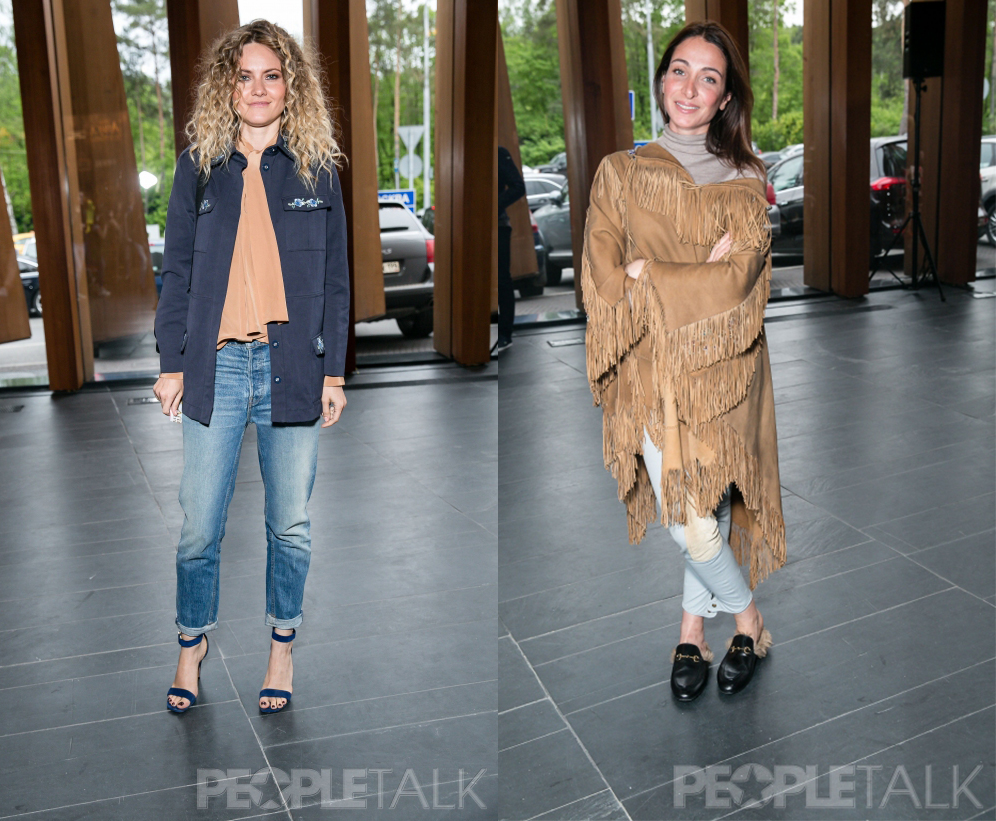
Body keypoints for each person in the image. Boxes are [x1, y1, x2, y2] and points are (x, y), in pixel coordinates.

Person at [580, 22, 785, 702]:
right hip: (649, 374)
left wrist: (650, 271)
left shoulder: (744, 179)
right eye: (679, 70)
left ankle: (691, 630)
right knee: (687, 517)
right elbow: (604, 281)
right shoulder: (620, 172)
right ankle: (750, 620)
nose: (690, 88)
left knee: (708, 502)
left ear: (725, 98)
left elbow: (738, 286)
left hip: (727, 373)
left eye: (709, 77)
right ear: (661, 79)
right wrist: (691, 274)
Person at [153, 19, 350, 715]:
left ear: (291, 86)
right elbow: (176, 271)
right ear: (226, 87)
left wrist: (334, 374)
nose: (259, 89)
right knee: (199, 526)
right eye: (245, 76)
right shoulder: (198, 167)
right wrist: (172, 362)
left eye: (272, 75)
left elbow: (335, 280)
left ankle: (281, 647)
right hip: (217, 366)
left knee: (289, 523)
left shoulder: (317, 168)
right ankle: (191, 643)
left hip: (293, 365)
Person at [493, 145, 525, 354]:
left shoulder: (498, 153)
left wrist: (495, 205)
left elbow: (518, 186)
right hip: (474, 226)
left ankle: (505, 333)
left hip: (498, 225)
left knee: (502, 279)